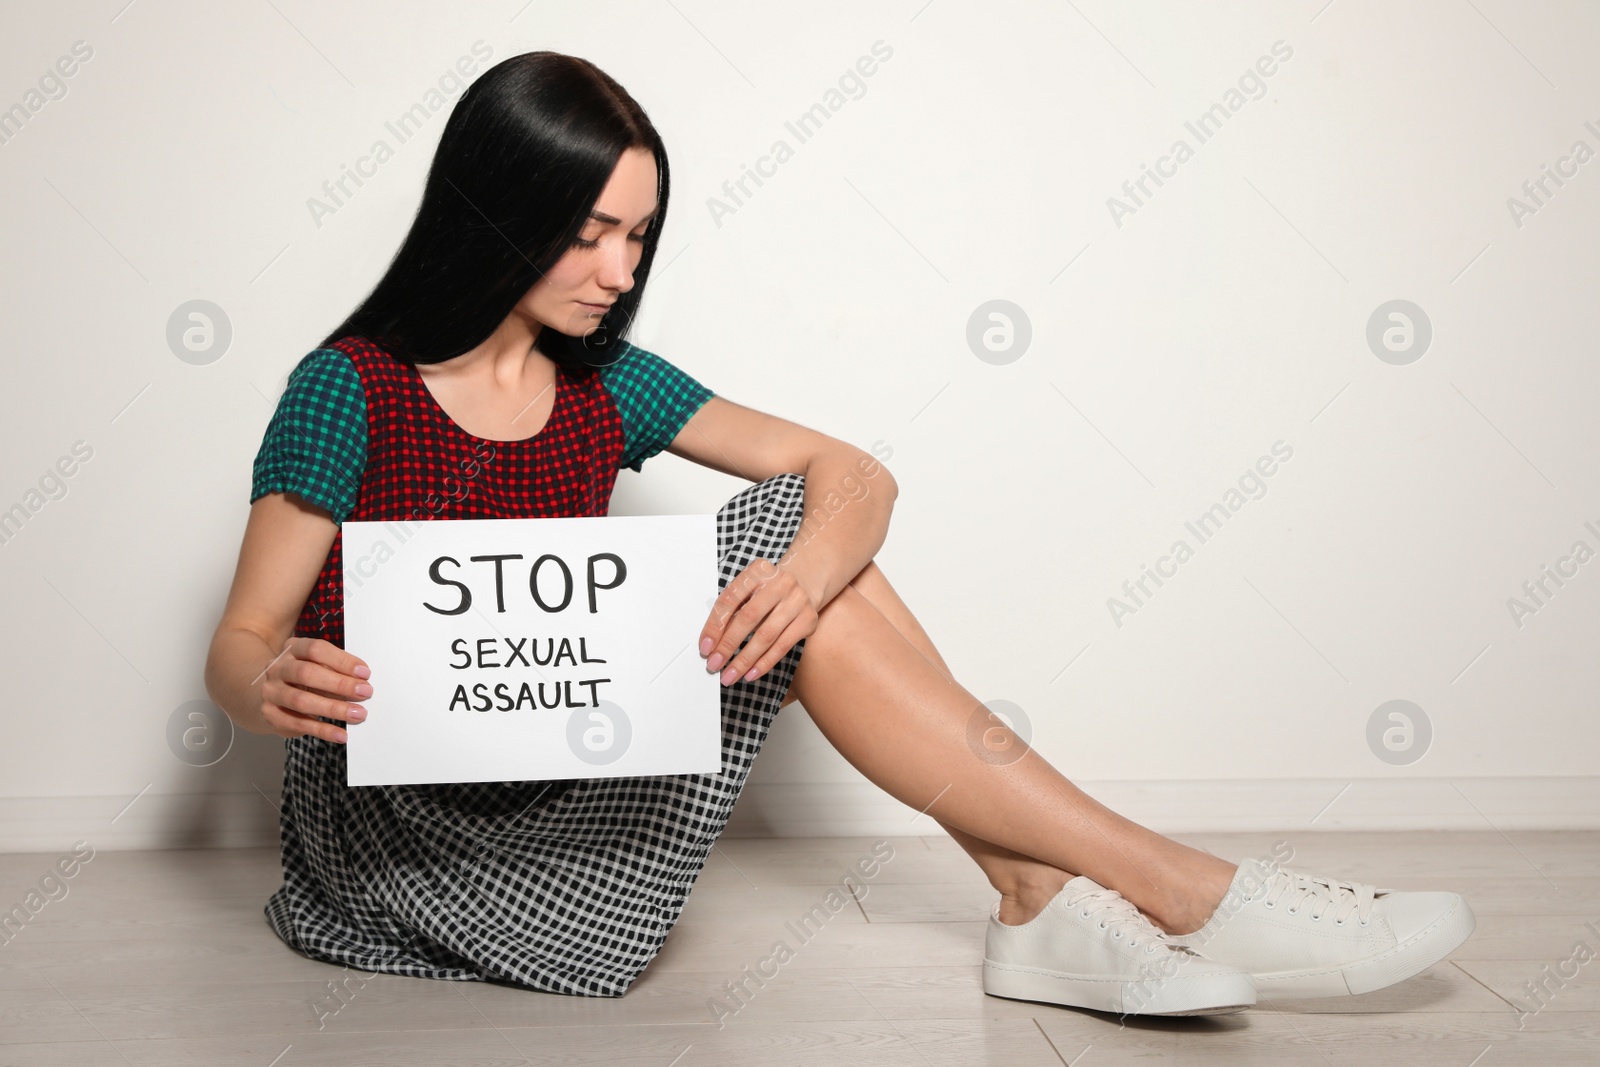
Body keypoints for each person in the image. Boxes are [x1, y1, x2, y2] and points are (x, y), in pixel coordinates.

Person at [204, 50, 1475, 1017]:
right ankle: (1158, 887)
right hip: (418, 844)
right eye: (585, 230)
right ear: (496, 210)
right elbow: (240, 642)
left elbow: (849, 471)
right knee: (801, 563)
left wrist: (804, 571)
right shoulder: (347, 388)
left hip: (568, 772)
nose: (615, 266)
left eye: (637, 234)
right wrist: (270, 680)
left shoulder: (604, 382)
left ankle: (1049, 895)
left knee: (803, 541)